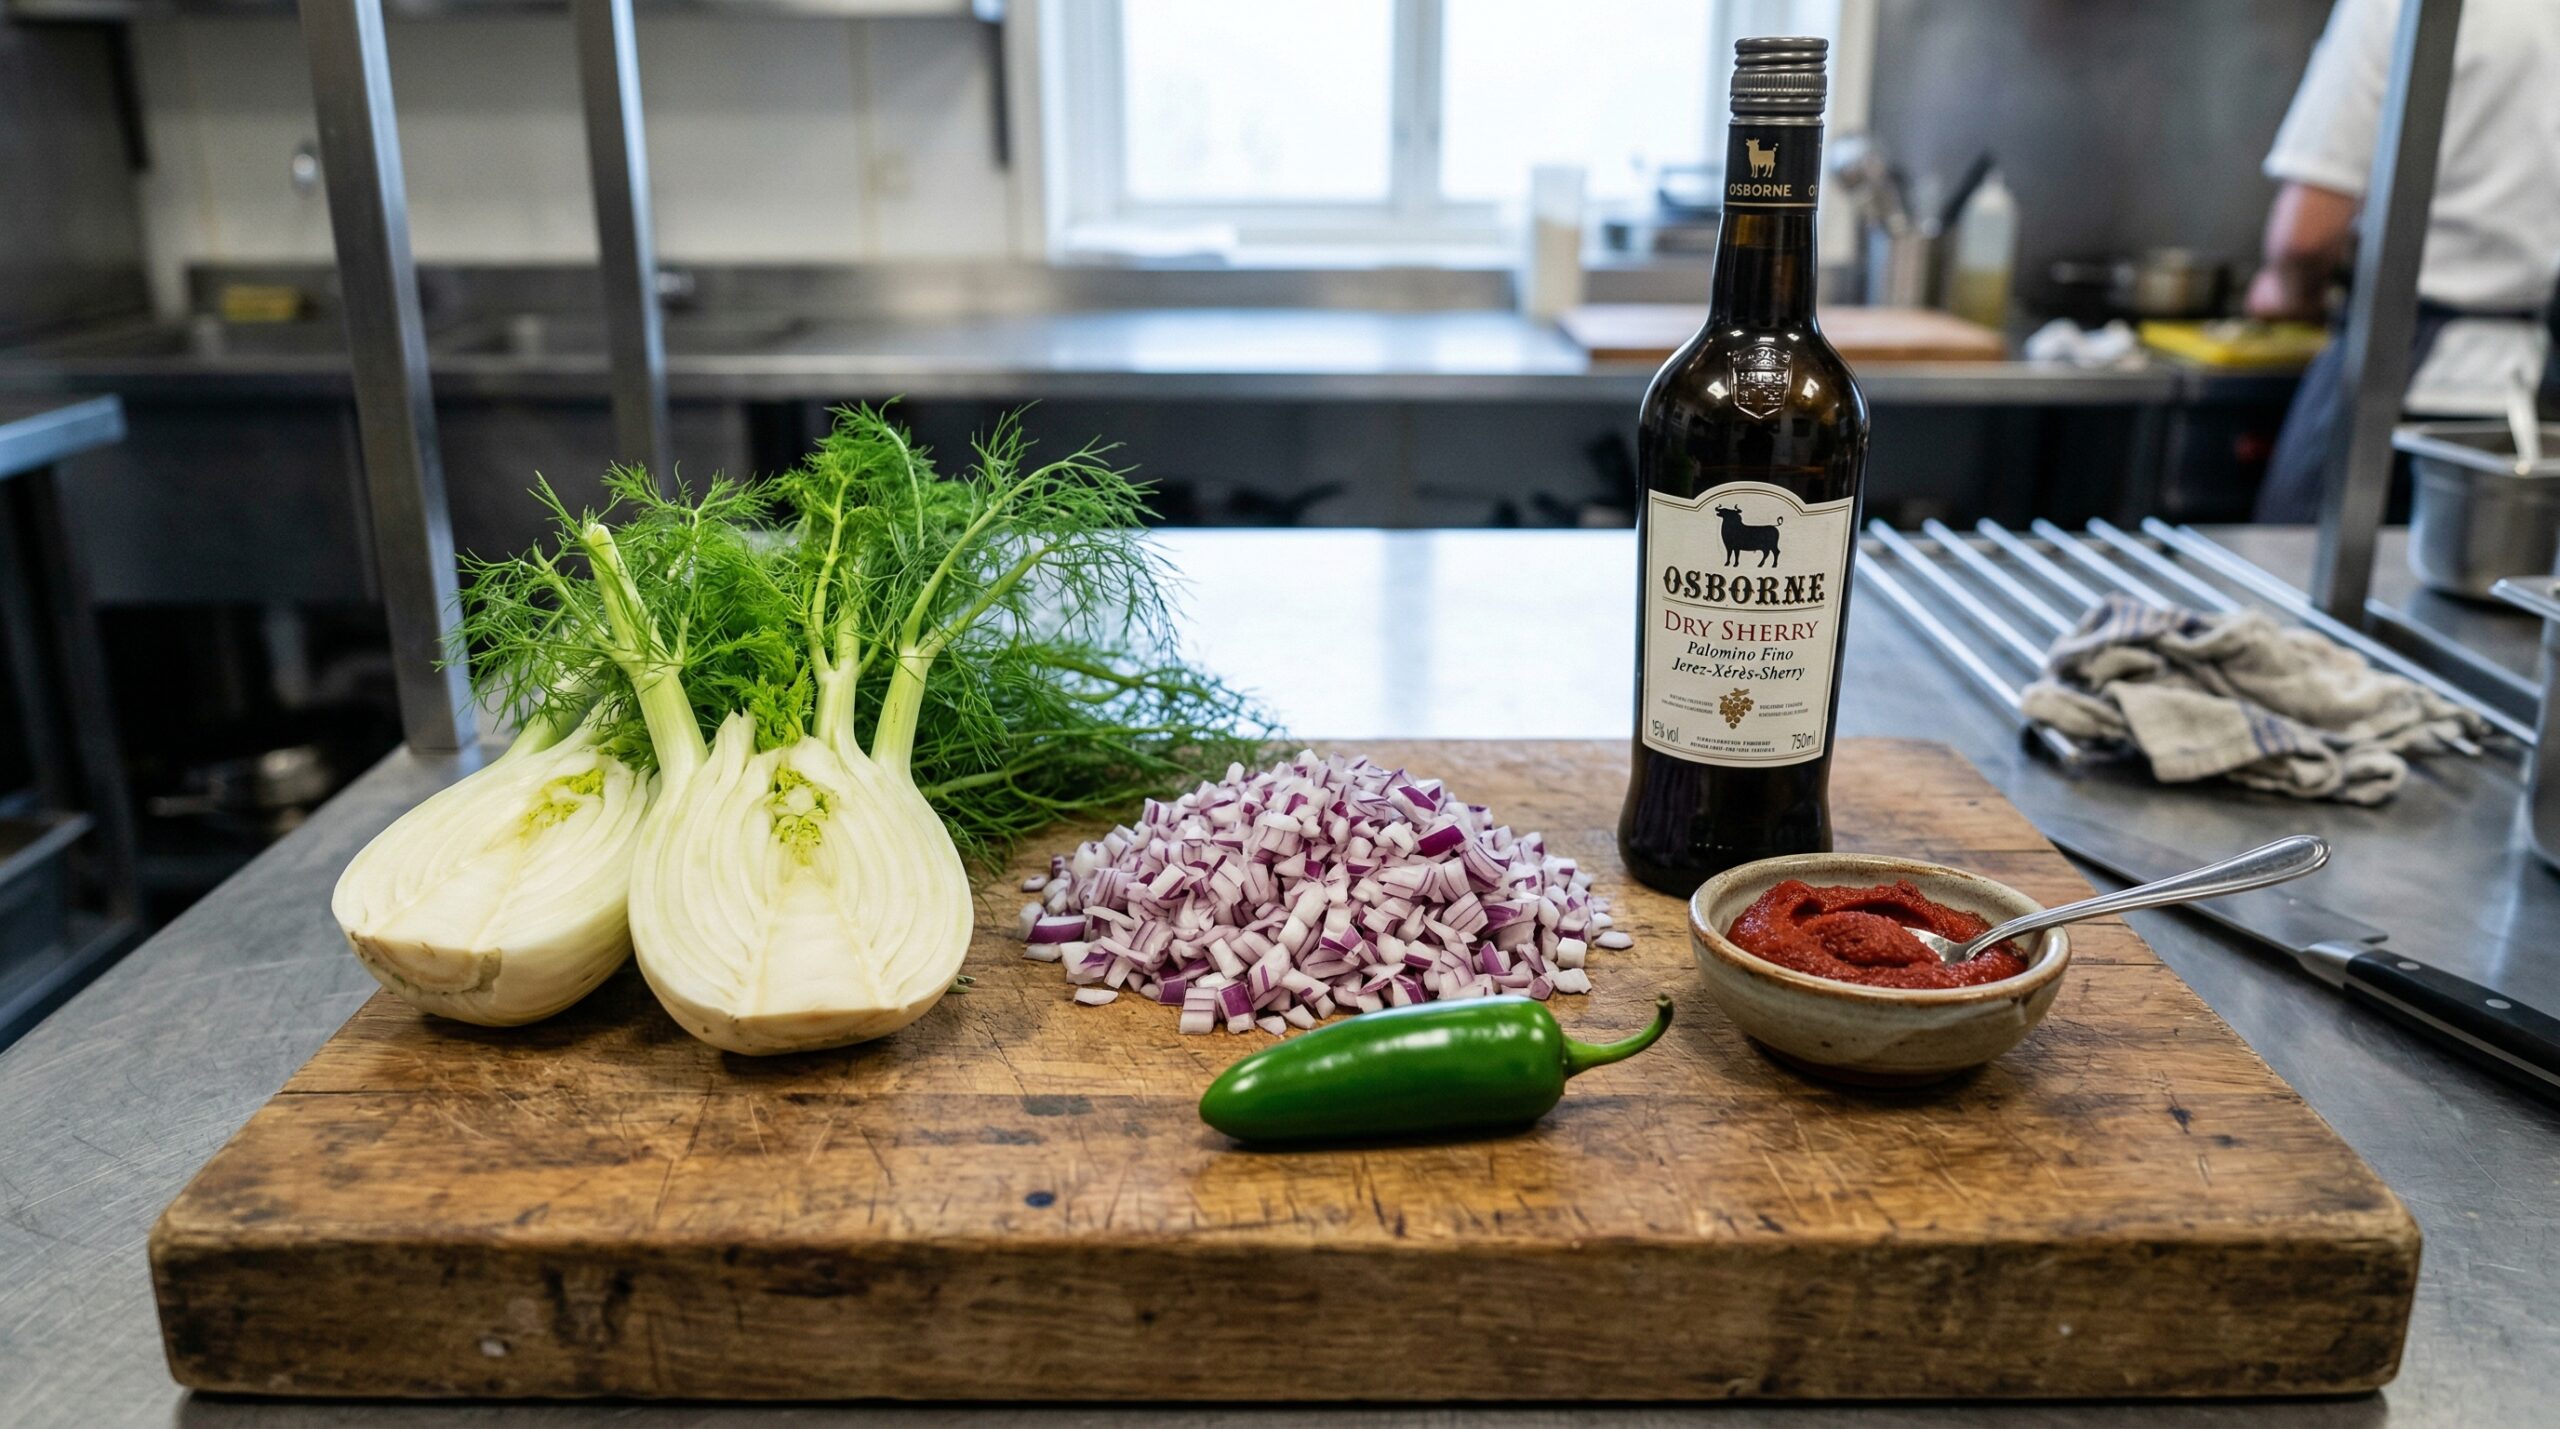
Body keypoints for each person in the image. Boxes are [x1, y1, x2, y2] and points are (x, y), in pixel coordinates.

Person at [2249, 0, 2560, 522]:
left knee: (2298, 588)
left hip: (2393, 388)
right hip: (2538, 406)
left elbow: (2305, 236)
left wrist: (2286, 292)